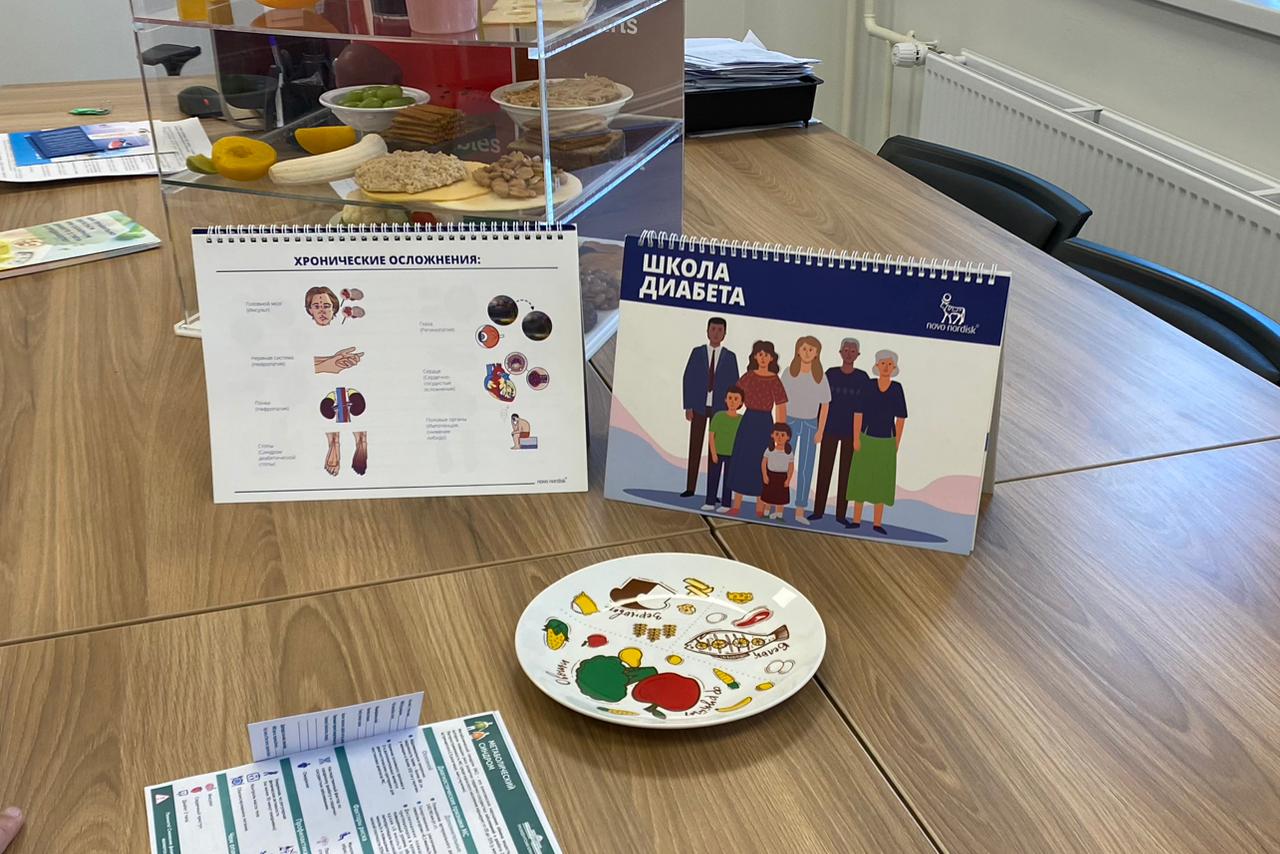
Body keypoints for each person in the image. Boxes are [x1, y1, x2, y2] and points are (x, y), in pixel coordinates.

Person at [846, 349, 908, 534]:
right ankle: (856, 520)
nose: (886, 367)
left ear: (894, 367)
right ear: (876, 365)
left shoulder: (896, 388)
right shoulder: (868, 385)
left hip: (887, 440)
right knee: (860, 478)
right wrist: (856, 438)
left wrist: (896, 443)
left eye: (889, 364)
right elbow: (858, 412)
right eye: (883, 363)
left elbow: (901, 418)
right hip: (866, 437)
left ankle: (877, 523)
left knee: (882, 481)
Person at [809, 337, 868, 522]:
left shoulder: (862, 378)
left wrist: (861, 434)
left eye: (853, 351)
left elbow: (865, 408)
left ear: (858, 355)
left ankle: (841, 515)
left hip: (851, 432)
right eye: (846, 350)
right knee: (824, 470)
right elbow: (821, 401)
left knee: (846, 474)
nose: (849, 354)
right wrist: (818, 426)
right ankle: (818, 511)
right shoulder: (831, 374)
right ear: (840, 353)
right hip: (830, 429)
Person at [726, 341, 787, 515]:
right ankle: (736, 505)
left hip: (765, 424)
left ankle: (760, 508)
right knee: (742, 461)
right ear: (754, 357)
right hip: (748, 422)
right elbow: (735, 395)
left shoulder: (774, 379)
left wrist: (780, 430)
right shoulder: (748, 376)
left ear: (772, 358)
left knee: (761, 463)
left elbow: (781, 405)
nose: (763, 358)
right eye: (760, 354)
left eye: (766, 355)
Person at [680, 317, 739, 498]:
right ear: (707, 331)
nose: (716, 333)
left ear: (725, 334)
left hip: (720, 409)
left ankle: (712, 493)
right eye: (713, 329)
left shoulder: (730, 357)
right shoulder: (697, 353)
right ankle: (690, 488)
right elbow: (688, 378)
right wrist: (688, 405)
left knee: (717, 450)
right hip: (698, 406)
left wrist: (731, 409)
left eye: (720, 330)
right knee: (695, 446)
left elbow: (734, 384)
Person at [779, 336, 830, 525]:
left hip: (810, 424)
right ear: (798, 350)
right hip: (790, 422)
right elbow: (781, 400)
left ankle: (800, 510)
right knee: (783, 464)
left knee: (806, 468)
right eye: (804, 348)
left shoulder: (820, 377)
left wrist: (821, 430)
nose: (807, 352)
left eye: (811, 349)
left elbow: (825, 405)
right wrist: (780, 424)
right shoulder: (789, 373)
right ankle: (778, 506)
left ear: (816, 354)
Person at [702, 386, 744, 512]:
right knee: (713, 477)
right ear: (725, 399)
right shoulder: (718, 416)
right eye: (730, 398)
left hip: (733, 455)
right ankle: (710, 502)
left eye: (736, 399)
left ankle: (726, 504)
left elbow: (742, 439)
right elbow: (711, 436)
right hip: (718, 452)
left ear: (741, 402)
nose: (732, 401)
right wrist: (713, 453)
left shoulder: (741, 420)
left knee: (728, 480)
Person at [758, 422, 795, 519]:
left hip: (782, 477)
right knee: (768, 496)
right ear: (772, 435)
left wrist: (788, 479)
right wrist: (765, 475)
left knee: (780, 498)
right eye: (777, 434)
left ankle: (779, 515)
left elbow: (791, 466)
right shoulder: (769, 449)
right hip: (771, 475)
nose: (779, 437)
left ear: (788, 437)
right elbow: (763, 463)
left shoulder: (788, 452)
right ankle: (766, 513)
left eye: (782, 435)